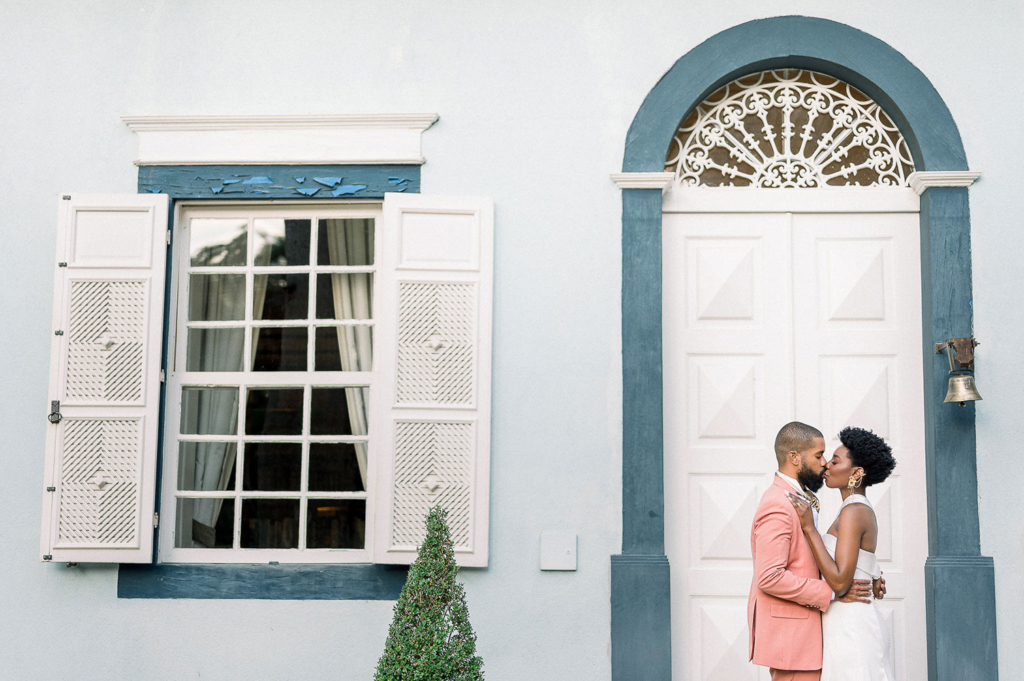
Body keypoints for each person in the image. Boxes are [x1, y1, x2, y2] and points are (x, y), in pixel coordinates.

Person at [748, 422, 880, 681]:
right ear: (795, 457)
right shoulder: (778, 504)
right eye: (819, 456)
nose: (824, 464)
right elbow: (769, 577)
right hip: (794, 640)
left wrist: (867, 571)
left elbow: (814, 555)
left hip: (811, 637)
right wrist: (833, 592)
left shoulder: (800, 500)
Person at [786, 426, 897, 681]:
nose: (826, 467)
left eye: (835, 461)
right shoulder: (853, 509)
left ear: (856, 472)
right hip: (845, 622)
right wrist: (875, 574)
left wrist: (809, 528)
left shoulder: (854, 511)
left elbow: (838, 581)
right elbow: (859, 558)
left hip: (853, 628)